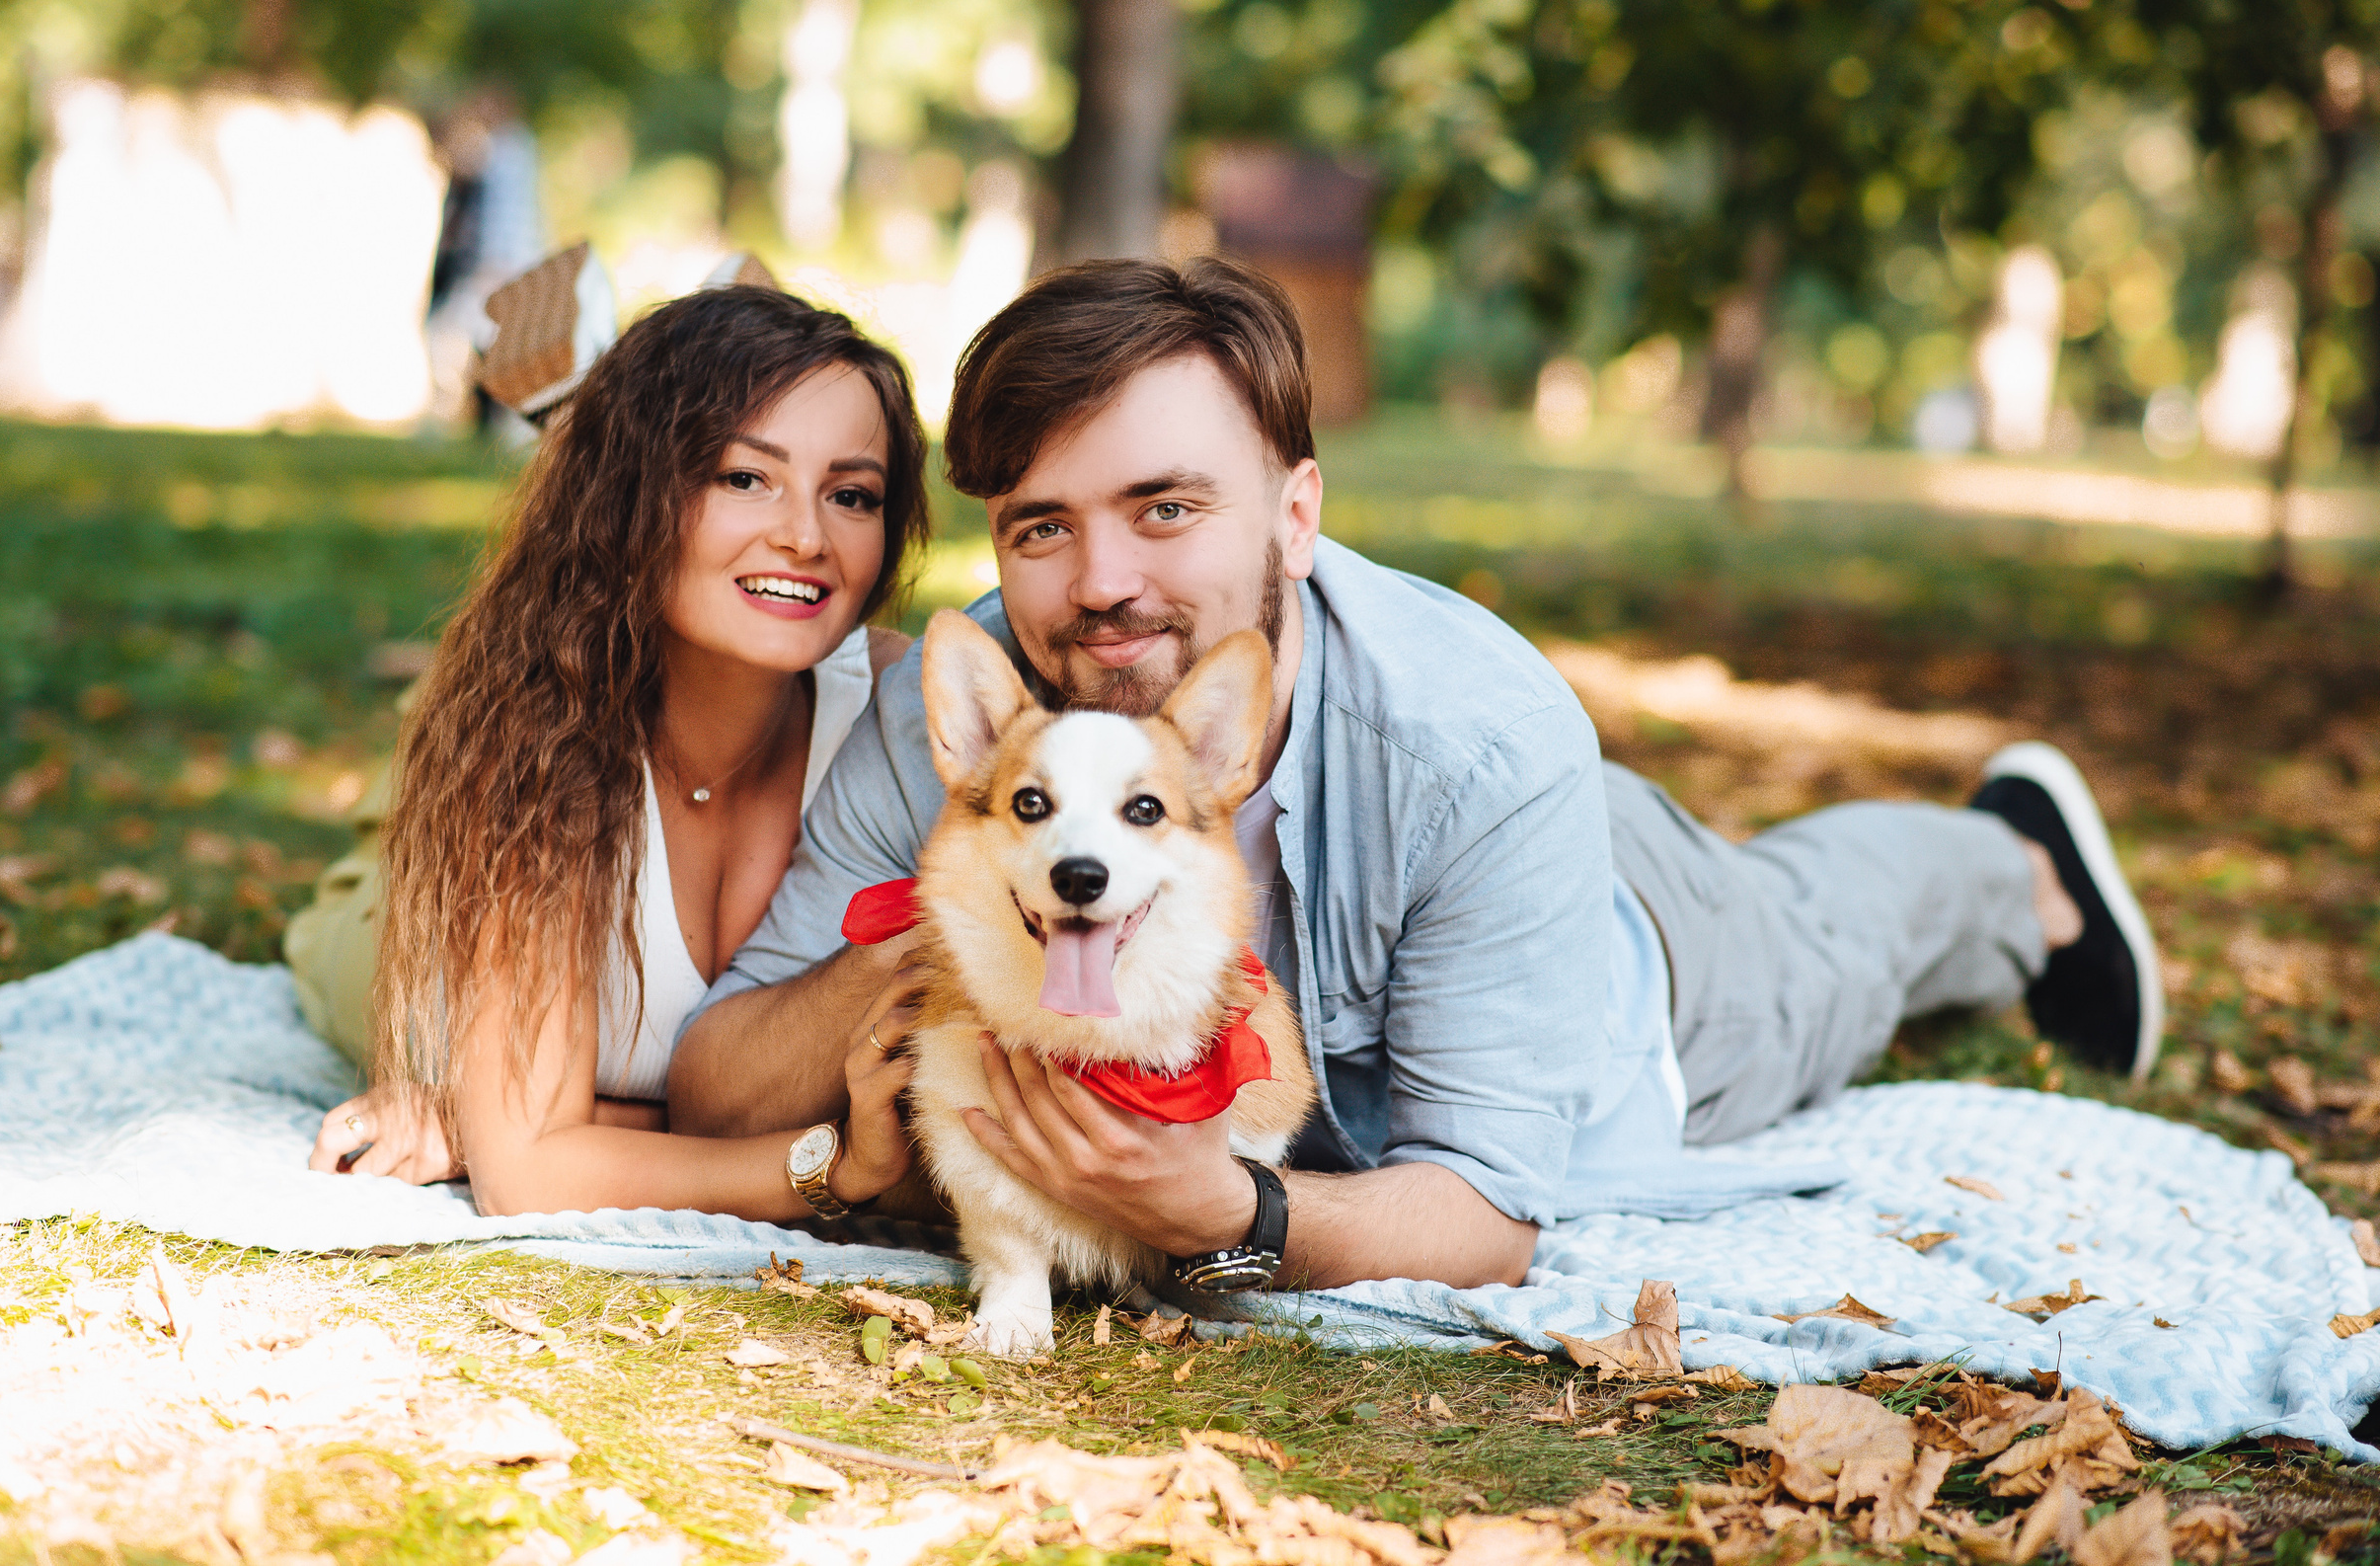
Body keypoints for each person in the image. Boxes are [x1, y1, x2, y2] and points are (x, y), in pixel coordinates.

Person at [670, 257, 2159, 1293]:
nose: (1100, 585)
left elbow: (1492, 1216)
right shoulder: (985, 729)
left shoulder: (1482, 742)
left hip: (1652, 978)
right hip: (1484, 850)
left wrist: (1232, 1217)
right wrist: (975, 915)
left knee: (1826, 937)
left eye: (1166, 507)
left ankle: (2022, 864)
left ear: (1296, 513)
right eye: (1043, 526)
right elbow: (717, 1074)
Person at [289, 281, 932, 1220]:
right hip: (383, 920)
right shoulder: (535, 742)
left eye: (851, 494)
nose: (806, 536)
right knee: (391, 861)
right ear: (635, 496)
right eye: (741, 475)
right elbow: (533, 1172)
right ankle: (587, 412)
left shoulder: (899, 713)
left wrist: (585, 1120)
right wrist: (831, 1166)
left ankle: (620, 386)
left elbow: (549, 1137)